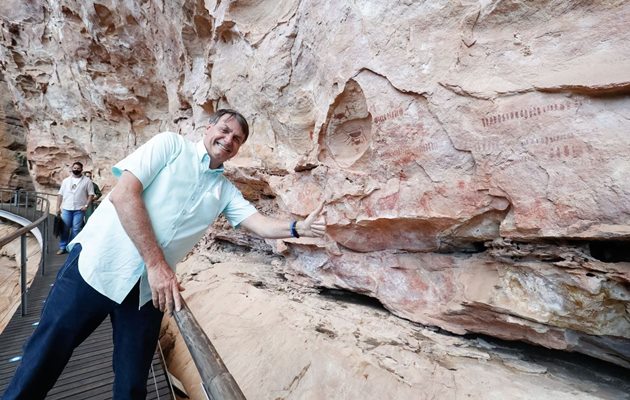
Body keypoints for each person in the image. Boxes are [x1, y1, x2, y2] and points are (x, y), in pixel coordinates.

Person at [2, 109, 326, 400]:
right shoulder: (170, 146)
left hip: (145, 293)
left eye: (237, 139)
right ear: (208, 127)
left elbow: (259, 224)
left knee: (132, 385)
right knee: (44, 357)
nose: (228, 140)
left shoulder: (224, 190)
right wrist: (156, 263)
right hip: (98, 267)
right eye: (224, 130)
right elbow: (123, 196)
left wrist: (298, 228)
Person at [55, 162, 94, 255]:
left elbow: (91, 194)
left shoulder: (87, 181)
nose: (76, 170)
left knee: (76, 229)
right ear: (72, 168)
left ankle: (71, 247)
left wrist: (86, 206)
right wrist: (57, 207)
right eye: (75, 168)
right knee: (64, 228)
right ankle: (63, 246)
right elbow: (60, 194)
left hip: (79, 209)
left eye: (78, 168)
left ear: (82, 169)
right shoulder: (66, 181)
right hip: (66, 208)